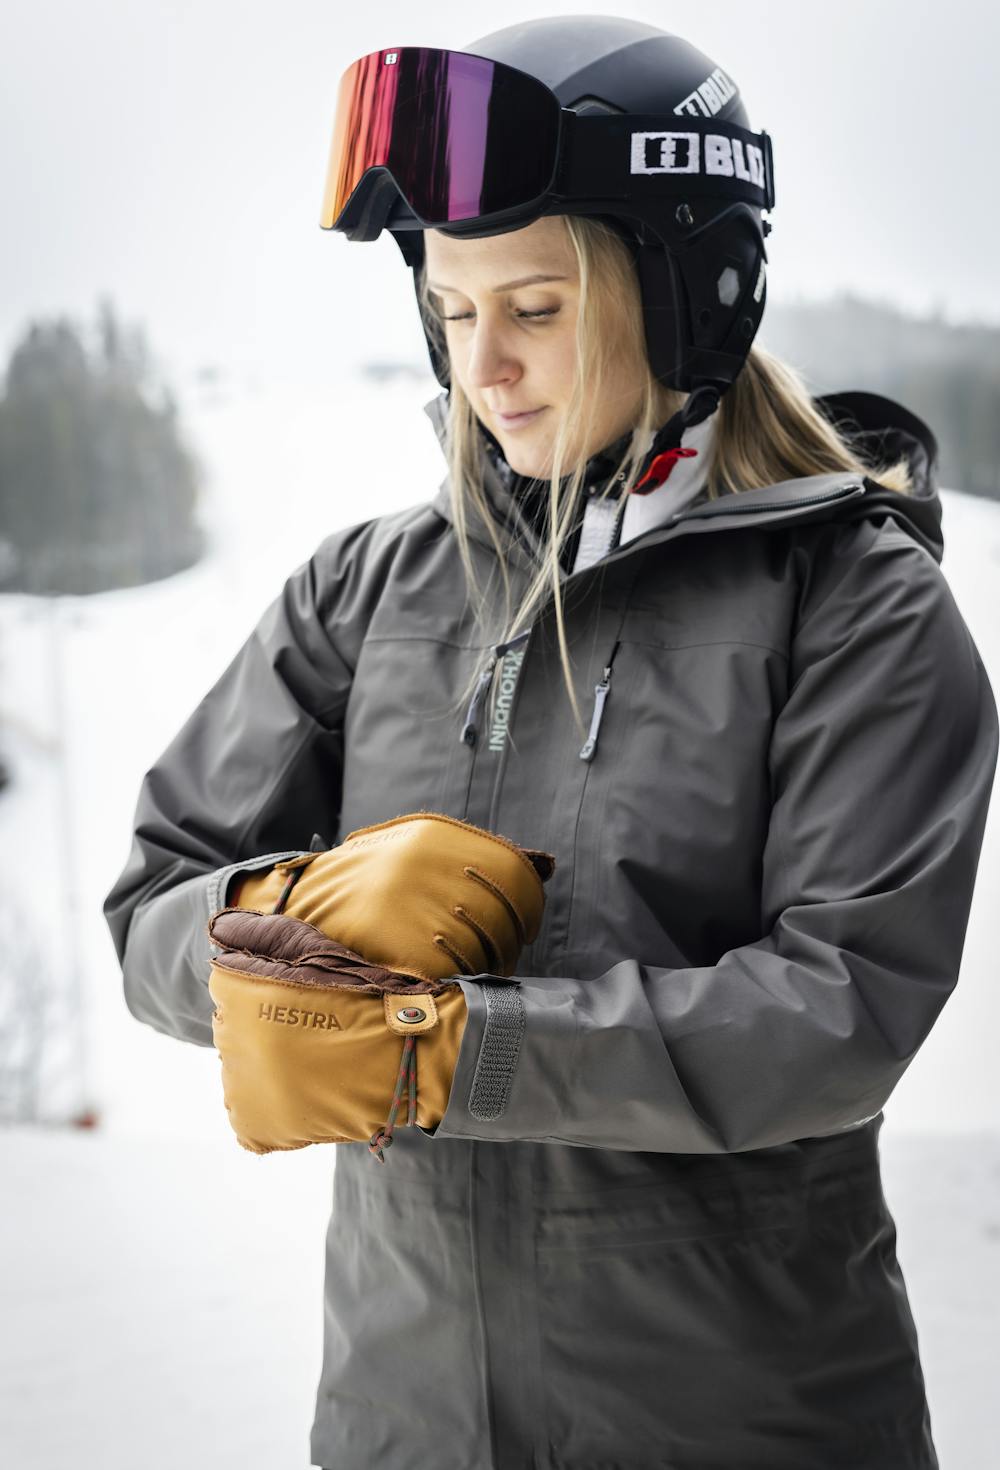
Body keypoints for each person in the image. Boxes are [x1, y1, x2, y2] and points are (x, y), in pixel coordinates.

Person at [104, 17, 998, 1470]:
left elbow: (840, 1011)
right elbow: (154, 898)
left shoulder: (853, 608)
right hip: (404, 1425)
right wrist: (282, 923)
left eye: (534, 307)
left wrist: (458, 1055)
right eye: (452, 316)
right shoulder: (371, 590)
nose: (485, 370)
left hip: (739, 1427)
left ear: (691, 292)